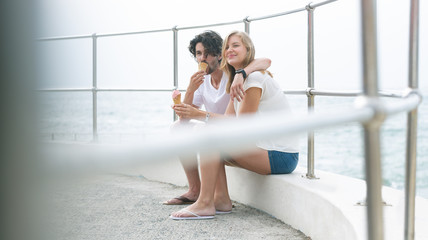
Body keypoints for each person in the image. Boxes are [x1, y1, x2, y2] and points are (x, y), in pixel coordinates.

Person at [170, 30, 299, 220]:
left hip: (281, 155)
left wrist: (200, 115)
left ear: (248, 50)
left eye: (236, 45)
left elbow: (240, 127)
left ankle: (205, 203)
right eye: (227, 46)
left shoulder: (253, 79)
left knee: (210, 137)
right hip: (268, 149)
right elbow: (228, 120)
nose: (230, 50)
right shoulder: (238, 80)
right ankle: (220, 200)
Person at [164, 30, 271, 205]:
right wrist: (190, 89)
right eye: (199, 54)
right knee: (177, 128)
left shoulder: (233, 73)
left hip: (230, 132)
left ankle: (212, 200)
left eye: (207, 53)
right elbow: (184, 119)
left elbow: (265, 61)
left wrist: (241, 74)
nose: (202, 58)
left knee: (206, 132)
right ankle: (194, 190)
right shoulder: (201, 80)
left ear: (219, 55)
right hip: (214, 128)